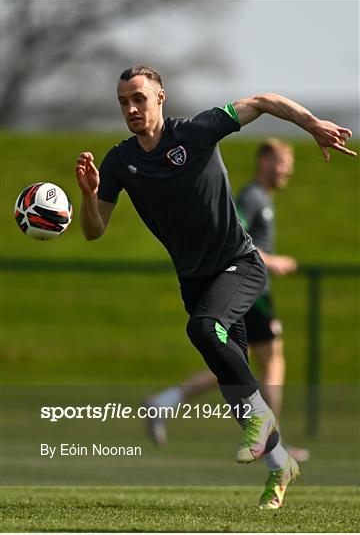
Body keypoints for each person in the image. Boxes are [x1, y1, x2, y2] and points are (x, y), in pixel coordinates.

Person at [75, 66, 356, 510]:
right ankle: (280, 465)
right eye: (123, 101)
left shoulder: (197, 131)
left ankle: (263, 433)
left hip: (239, 264)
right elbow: (94, 231)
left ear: (160, 97)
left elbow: (263, 101)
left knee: (204, 330)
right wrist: (90, 195)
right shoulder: (117, 162)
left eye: (139, 98)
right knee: (236, 386)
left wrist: (313, 124)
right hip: (195, 280)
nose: (131, 108)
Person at [146, 138, 310, 463]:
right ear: (264, 161)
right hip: (250, 290)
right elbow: (237, 236)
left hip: (247, 288)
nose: (287, 169)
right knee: (272, 360)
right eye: (281, 161)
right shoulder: (252, 196)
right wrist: (271, 261)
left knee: (235, 364)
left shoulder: (263, 197)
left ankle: (167, 400)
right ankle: (271, 440)